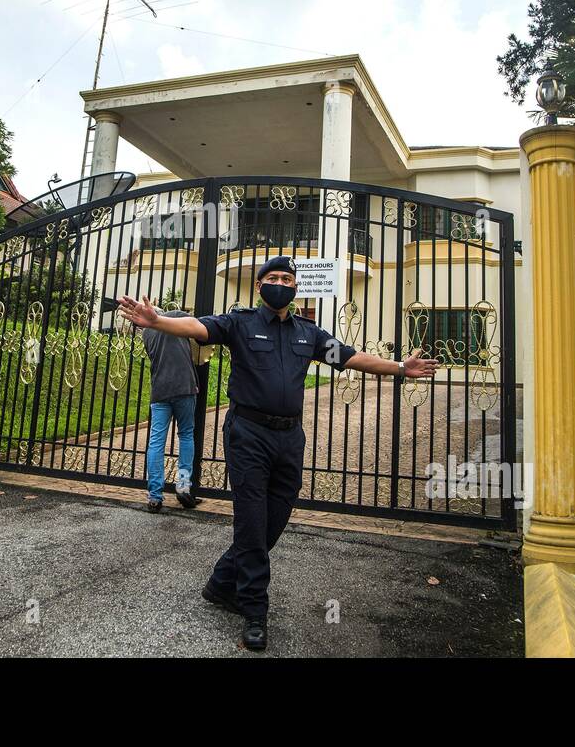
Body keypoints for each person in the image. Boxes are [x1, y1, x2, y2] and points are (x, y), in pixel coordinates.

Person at [118, 255, 437, 651]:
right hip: (247, 434)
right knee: (252, 523)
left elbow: (352, 357)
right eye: (273, 277)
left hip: (289, 439)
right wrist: (158, 321)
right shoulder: (240, 324)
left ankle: (220, 582)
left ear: (295, 288)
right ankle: (253, 608)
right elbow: (198, 326)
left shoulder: (309, 334)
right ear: (259, 285)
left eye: (288, 278)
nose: (281, 283)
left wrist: (400, 369)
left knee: (274, 519)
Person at [137, 305, 200, 512]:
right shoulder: (174, 316)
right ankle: (183, 488)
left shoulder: (146, 333)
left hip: (160, 390)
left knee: (156, 441)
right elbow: (195, 322)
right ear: (159, 311)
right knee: (186, 435)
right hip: (184, 387)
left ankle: (155, 496)